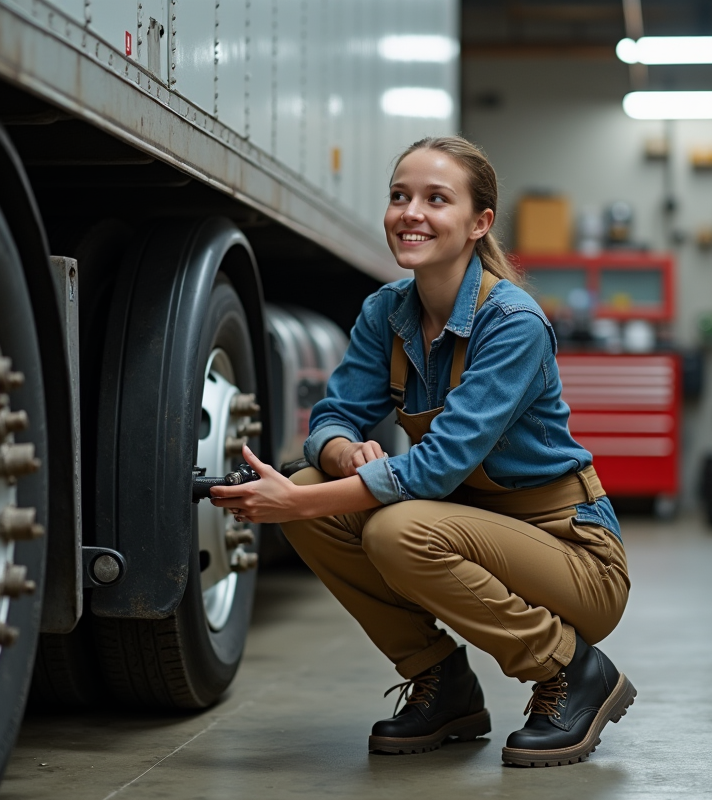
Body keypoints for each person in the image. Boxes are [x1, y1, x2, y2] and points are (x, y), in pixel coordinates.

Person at [210, 135, 634, 768]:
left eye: (437, 199)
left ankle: (572, 671)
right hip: (468, 526)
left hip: (576, 557)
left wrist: (294, 503)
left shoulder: (511, 322)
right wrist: (340, 455)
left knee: (393, 528)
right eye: (399, 197)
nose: (411, 212)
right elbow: (330, 418)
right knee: (324, 494)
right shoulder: (387, 312)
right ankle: (444, 687)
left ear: (478, 223)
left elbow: (436, 467)